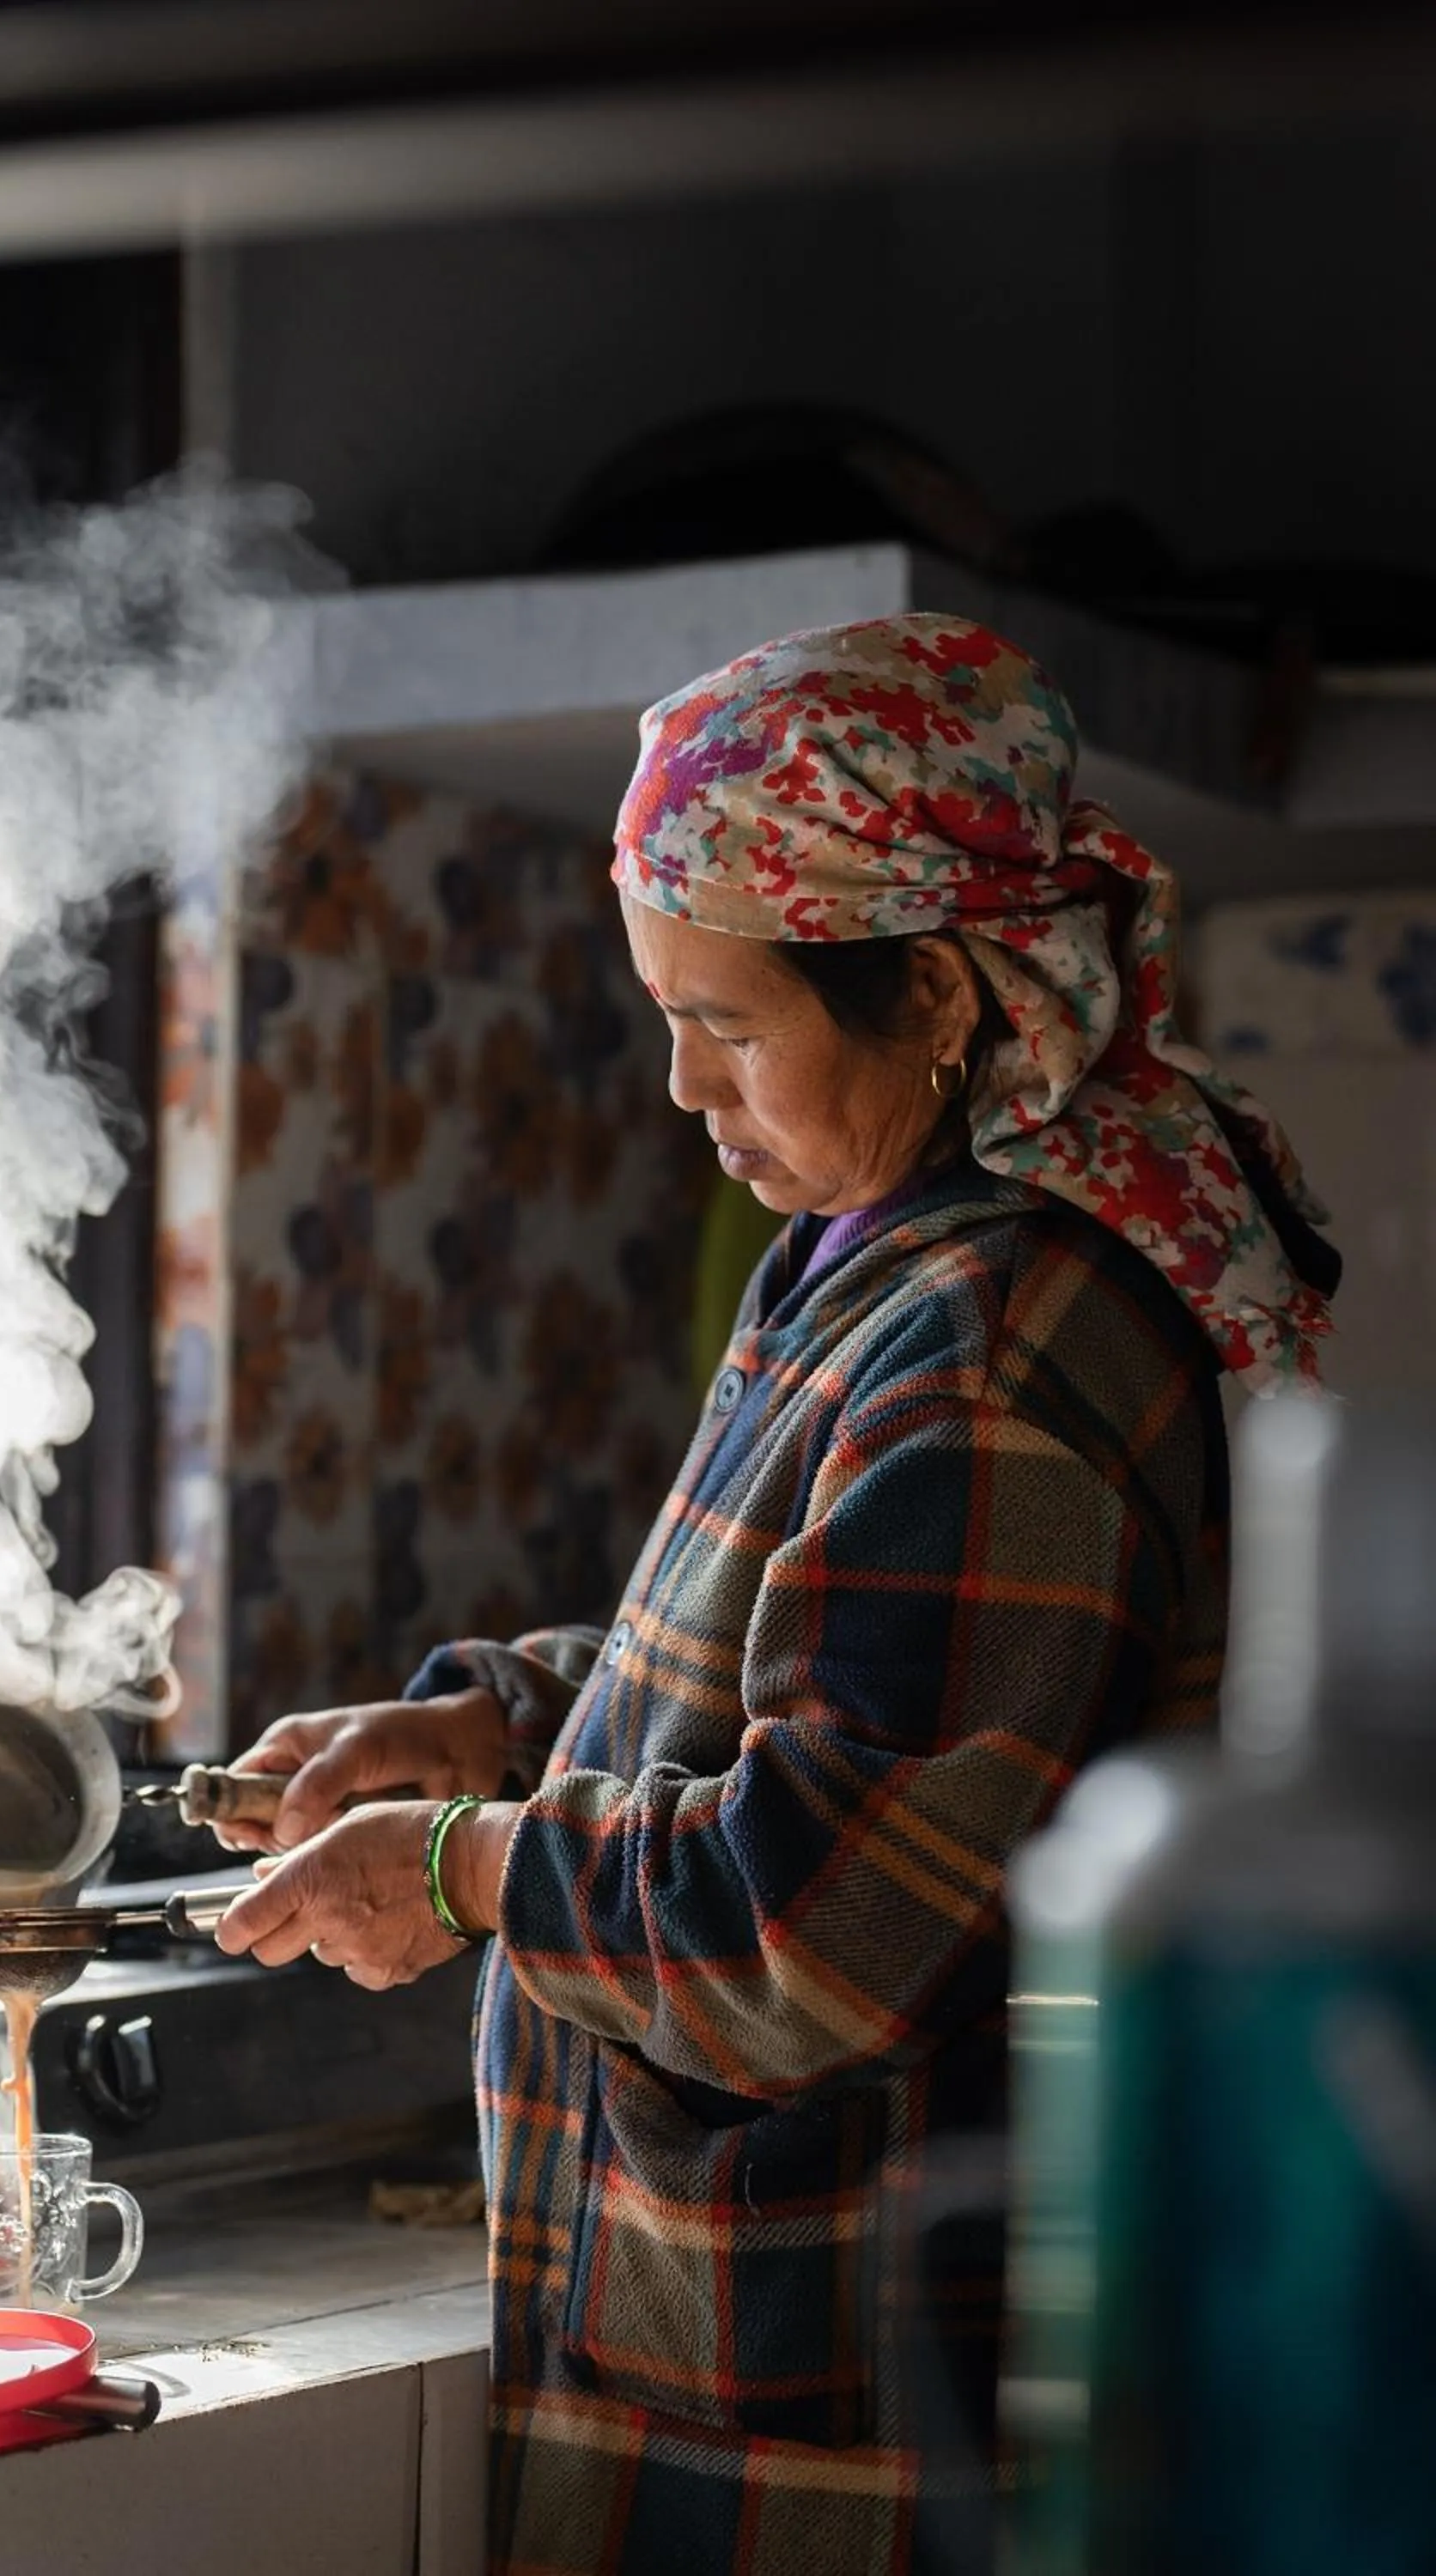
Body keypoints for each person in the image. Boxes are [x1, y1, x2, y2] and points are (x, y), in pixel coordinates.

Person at [215, 614, 1340, 2575]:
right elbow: (848, 1695)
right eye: (666, 1012)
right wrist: (500, 1715)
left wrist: (468, 1864)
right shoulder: (877, 1252)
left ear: (931, 994)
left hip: (871, 2428)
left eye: (728, 1024)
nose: (677, 1087)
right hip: (763, 2355)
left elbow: (813, 1931)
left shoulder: (987, 1340)